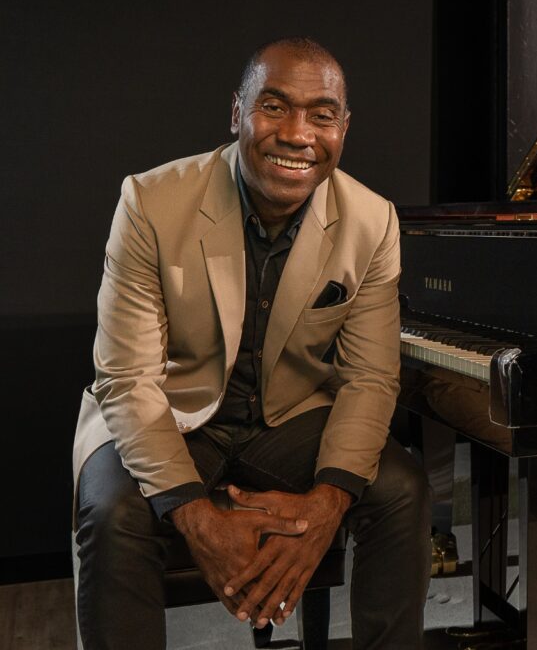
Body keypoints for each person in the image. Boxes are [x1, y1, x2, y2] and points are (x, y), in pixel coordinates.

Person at [71, 37, 431, 649]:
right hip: (173, 410)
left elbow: (370, 378)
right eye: (274, 107)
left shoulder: (374, 221)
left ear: (343, 129)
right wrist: (199, 520)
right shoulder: (150, 202)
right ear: (237, 112)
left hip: (287, 417)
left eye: (321, 115)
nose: (297, 134)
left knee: (402, 490)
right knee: (114, 513)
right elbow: (127, 379)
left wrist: (326, 506)